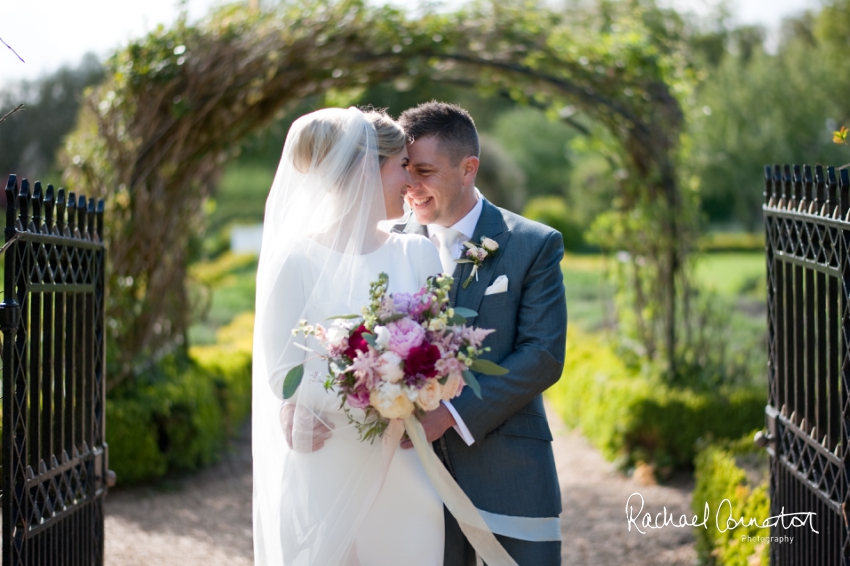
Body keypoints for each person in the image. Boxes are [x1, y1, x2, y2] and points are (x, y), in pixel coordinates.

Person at [251, 107, 446, 565]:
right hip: (326, 460)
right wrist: (368, 387)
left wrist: (404, 384)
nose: (411, 182)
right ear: (364, 168)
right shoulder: (295, 261)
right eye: (401, 165)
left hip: (404, 458)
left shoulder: (419, 253)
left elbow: (442, 352)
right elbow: (283, 375)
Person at [395, 101, 567, 565]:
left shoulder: (532, 243)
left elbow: (543, 355)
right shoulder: (386, 244)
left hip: (508, 470)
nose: (411, 185)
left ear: (468, 168)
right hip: (407, 478)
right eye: (405, 169)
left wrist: (451, 413)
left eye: (425, 171)